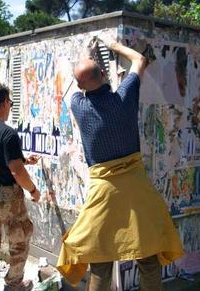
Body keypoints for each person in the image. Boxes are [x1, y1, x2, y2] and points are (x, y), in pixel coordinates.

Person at [56, 35, 184, 291]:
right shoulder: (124, 97)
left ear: (83, 86)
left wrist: (86, 53)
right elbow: (140, 60)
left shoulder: (78, 106)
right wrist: (114, 46)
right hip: (137, 190)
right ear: (104, 73)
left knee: (101, 261)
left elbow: (75, 85)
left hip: (103, 194)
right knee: (148, 259)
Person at [0, 84, 41, 291]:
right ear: (4, 103)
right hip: (7, 196)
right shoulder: (7, 133)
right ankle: (14, 284)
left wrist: (24, 160)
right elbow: (16, 173)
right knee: (19, 242)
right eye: (10, 103)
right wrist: (33, 190)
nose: (10, 107)